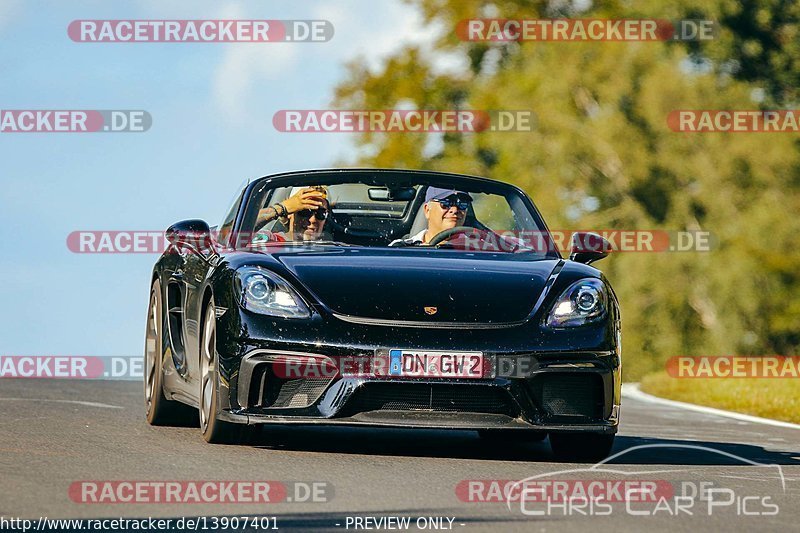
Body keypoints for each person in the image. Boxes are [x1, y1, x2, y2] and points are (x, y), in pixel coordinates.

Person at [390, 187, 473, 246]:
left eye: (462, 204)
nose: (454, 210)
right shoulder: (400, 248)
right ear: (427, 210)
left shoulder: (478, 250)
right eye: (445, 203)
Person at [253, 186, 330, 242]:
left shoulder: (334, 248)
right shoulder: (272, 241)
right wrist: (282, 208)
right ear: (290, 213)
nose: (313, 219)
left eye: (320, 213)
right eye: (305, 211)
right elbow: (243, 225)